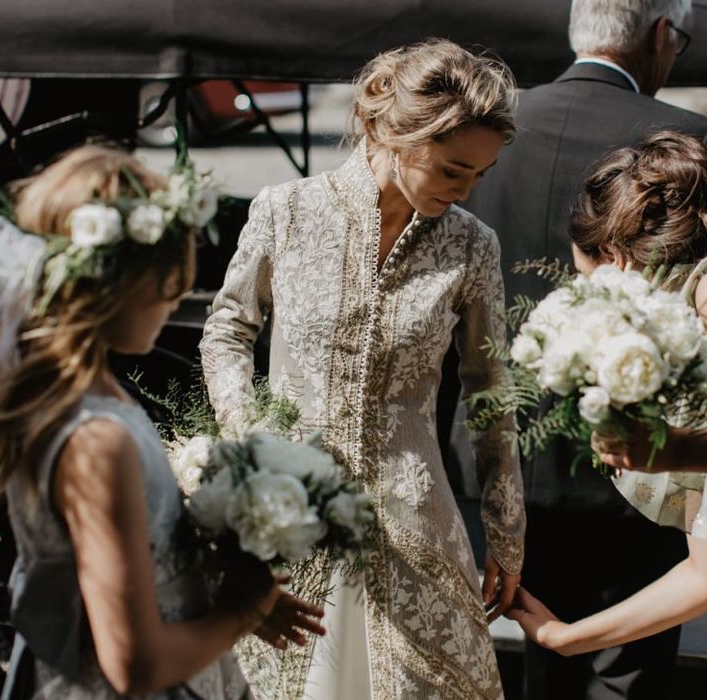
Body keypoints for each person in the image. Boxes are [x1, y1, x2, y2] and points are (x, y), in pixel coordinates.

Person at [200, 38, 526, 700]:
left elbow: (491, 393)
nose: (466, 190)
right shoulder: (285, 211)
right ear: (393, 133)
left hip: (413, 522)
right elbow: (228, 329)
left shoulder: (472, 244)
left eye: (479, 176)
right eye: (452, 170)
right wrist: (248, 437)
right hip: (287, 508)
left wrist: (506, 531)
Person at [463, 1, 707, 698]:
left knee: (547, 679)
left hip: (512, 454)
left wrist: (686, 449)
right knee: (622, 678)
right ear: (659, 36)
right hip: (635, 480)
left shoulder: (490, 130)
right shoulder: (691, 139)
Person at [0, 145, 325, 699]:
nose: (176, 299)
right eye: (167, 279)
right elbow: (135, 665)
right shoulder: (96, 440)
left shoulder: (81, 398)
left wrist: (211, 592)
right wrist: (239, 614)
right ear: (113, 284)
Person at [508, 130, 707, 659]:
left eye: (581, 276)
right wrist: (569, 638)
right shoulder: (687, 357)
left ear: (617, 258)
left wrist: (686, 450)